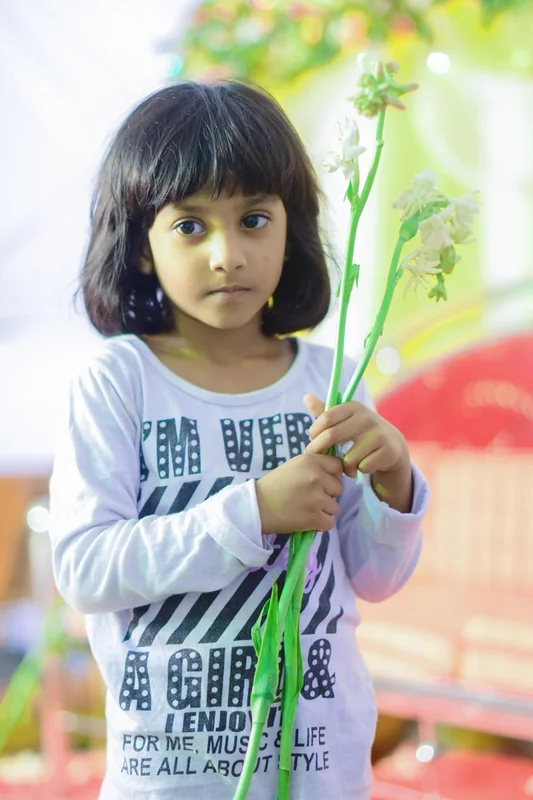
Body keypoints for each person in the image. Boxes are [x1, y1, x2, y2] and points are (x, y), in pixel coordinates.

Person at [49, 80, 429, 800]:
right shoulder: (118, 381)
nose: (227, 253)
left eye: (253, 219)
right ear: (138, 247)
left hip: (320, 771)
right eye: (190, 226)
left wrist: (395, 480)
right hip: (168, 779)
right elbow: (86, 570)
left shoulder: (332, 374)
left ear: (293, 230)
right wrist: (252, 510)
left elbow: (374, 577)